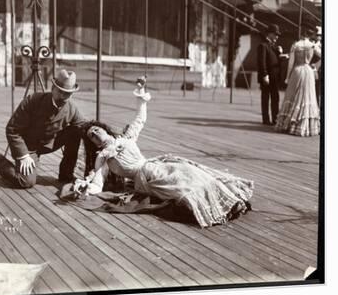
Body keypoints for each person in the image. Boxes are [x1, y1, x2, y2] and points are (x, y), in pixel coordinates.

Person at [73, 77, 254, 228]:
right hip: (144, 179)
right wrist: (86, 189)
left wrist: (140, 93)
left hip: (155, 165)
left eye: (97, 129)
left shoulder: (125, 138)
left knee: (193, 173)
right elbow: (98, 182)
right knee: (181, 188)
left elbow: (140, 119)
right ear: (93, 143)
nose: (96, 133)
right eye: (92, 135)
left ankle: (232, 201)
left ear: (105, 129)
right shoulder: (103, 158)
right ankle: (216, 210)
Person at [0, 69, 86, 188]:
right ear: (53, 88)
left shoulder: (71, 108)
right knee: (26, 181)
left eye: (67, 93)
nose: (63, 96)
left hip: (50, 143)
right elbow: (12, 129)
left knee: (77, 131)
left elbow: (84, 126)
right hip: (29, 146)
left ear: (72, 94)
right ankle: (1, 163)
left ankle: (66, 174)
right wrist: (23, 156)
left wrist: (106, 136)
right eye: (60, 91)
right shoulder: (33, 101)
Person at [274, 28, 320, 136]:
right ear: (310, 34)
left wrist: (287, 77)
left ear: (302, 34)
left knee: (293, 96)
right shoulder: (312, 45)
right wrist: (315, 66)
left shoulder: (296, 45)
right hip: (308, 71)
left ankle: (289, 124)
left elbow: (291, 63)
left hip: (297, 71)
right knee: (307, 96)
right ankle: (304, 126)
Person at [257, 24, 282, 125]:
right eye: (275, 34)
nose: (277, 37)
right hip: (267, 76)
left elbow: (276, 60)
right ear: (270, 34)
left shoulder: (274, 47)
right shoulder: (263, 46)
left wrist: (280, 53)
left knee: (275, 97)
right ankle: (266, 119)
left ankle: (275, 118)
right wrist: (264, 74)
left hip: (275, 76)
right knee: (266, 97)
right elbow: (261, 62)